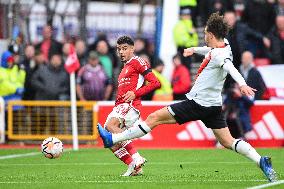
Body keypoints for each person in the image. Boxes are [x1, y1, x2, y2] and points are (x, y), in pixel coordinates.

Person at [98, 13, 277, 182]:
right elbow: (210, 50)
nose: (204, 35)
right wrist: (194, 49)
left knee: (154, 118)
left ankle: (113, 139)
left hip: (198, 103)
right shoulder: (225, 45)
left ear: (211, 34)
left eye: (206, 33)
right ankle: (260, 160)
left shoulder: (220, 55)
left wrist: (242, 83)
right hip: (213, 106)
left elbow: (230, 67)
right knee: (228, 141)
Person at [100, 36, 160, 176]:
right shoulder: (124, 68)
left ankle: (137, 157)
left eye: (125, 48)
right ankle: (134, 167)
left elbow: (155, 83)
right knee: (110, 139)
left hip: (130, 105)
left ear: (132, 49)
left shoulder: (138, 61)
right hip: (121, 105)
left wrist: (135, 93)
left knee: (110, 126)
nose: (121, 52)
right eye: (119, 49)